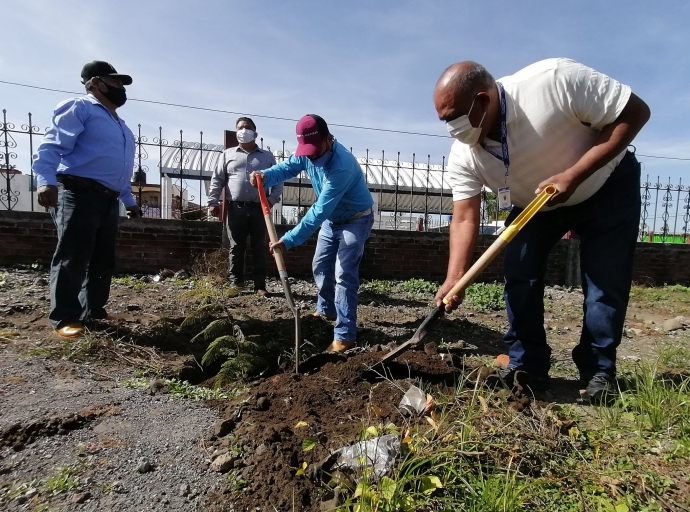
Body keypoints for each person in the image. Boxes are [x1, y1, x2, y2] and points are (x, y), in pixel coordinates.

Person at [432, 59, 650, 400]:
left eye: (455, 117)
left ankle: (598, 371)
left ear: (484, 100)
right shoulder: (463, 154)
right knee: (520, 274)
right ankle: (527, 365)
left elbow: (635, 112)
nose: (452, 129)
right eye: (444, 121)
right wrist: (455, 276)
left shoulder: (553, 81)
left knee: (605, 281)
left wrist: (573, 174)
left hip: (606, 187)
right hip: (535, 204)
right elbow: (464, 217)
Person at [32, 60, 142, 339]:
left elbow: (120, 169)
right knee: (73, 256)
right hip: (78, 192)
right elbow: (52, 145)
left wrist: (129, 201)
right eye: (114, 82)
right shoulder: (79, 108)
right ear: (95, 82)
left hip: (107, 199)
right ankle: (64, 318)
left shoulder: (121, 126)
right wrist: (45, 181)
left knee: (103, 259)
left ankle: (92, 310)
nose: (120, 88)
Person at [250, 115, 374, 352]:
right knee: (319, 265)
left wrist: (288, 240)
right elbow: (287, 167)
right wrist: (266, 176)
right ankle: (326, 309)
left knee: (343, 274)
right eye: (307, 152)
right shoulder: (306, 153)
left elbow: (318, 211)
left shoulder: (342, 165)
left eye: (315, 150)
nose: (312, 156)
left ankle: (345, 335)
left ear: (328, 139)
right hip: (332, 219)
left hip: (356, 219)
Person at [208, 117, 282, 295]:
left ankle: (260, 285)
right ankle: (237, 284)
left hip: (259, 209)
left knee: (260, 247)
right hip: (236, 209)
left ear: (255, 134)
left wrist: (272, 199)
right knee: (236, 247)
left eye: (247, 128)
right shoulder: (227, 154)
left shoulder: (267, 157)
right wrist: (213, 201)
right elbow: (217, 179)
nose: (243, 130)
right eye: (240, 128)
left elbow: (279, 180)